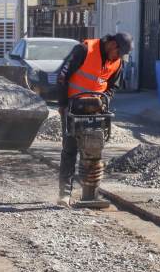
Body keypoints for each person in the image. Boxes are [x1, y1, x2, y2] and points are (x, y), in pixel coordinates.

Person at [56, 32, 133, 206]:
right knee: (70, 149)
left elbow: (113, 86)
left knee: (93, 149)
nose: (118, 57)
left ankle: (90, 193)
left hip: (96, 109)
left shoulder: (117, 63)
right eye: (118, 53)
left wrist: (104, 99)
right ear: (112, 45)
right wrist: (62, 105)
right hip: (73, 106)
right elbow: (62, 77)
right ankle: (64, 193)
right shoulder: (84, 50)